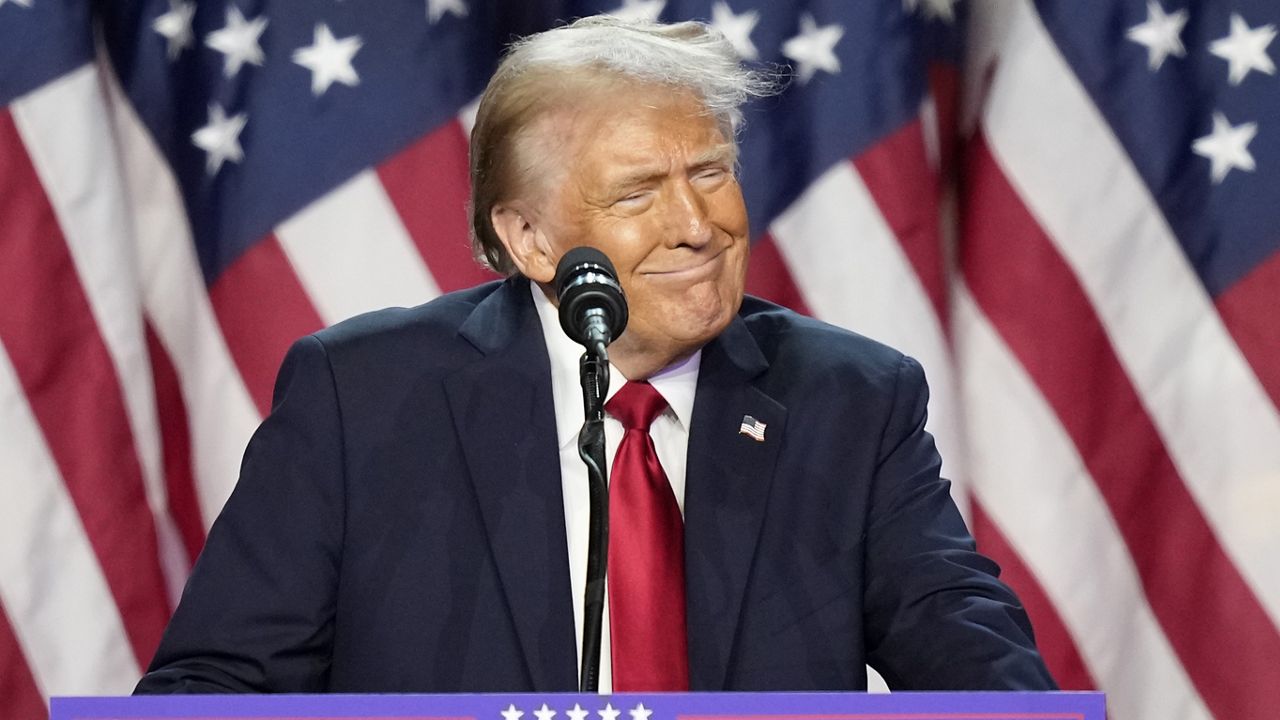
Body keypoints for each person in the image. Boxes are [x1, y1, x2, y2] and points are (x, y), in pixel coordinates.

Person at [135, 16, 1056, 694]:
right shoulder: (365, 397)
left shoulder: (847, 399)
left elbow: (967, 650)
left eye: (710, 172)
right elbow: (215, 684)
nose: (698, 224)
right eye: (638, 193)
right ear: (530, 238)